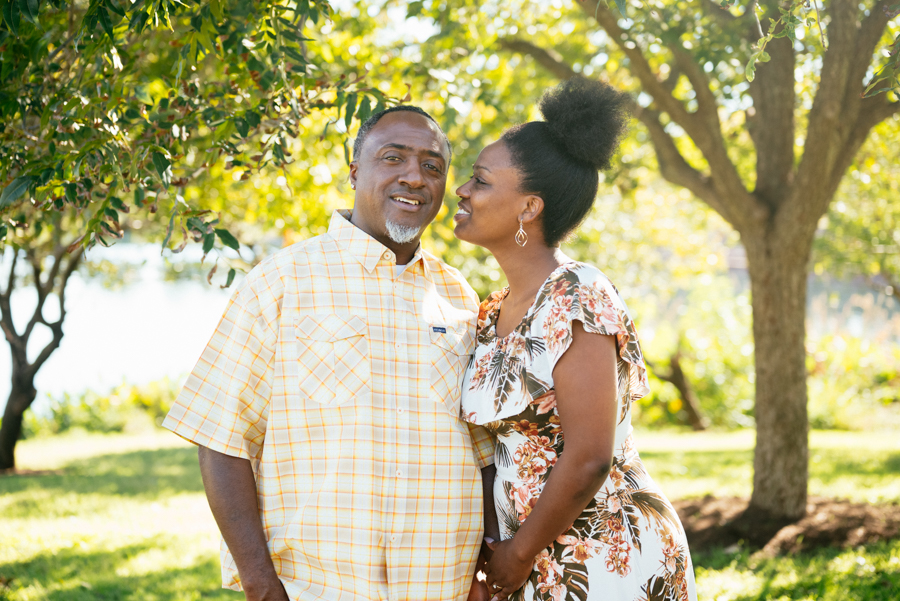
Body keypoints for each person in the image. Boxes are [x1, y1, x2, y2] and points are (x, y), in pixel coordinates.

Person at [163, 105, 495, 601]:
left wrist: (486, 567)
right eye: (393, 158)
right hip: (318, 589)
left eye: (432, 166)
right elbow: (221, 439)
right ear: (356, 170)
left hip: (443, 586)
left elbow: (483, 449)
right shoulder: (279, 283)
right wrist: (259, 584)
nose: (415, 177)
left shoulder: (459, 296)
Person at [454, 77, 698, 601]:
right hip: (529, 560)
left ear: (528, 208)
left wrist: (516, 557)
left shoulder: (577, 294)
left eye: (480, 180)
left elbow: (591, 455)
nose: (462, 190)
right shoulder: (490, 312)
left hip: (608, 554)